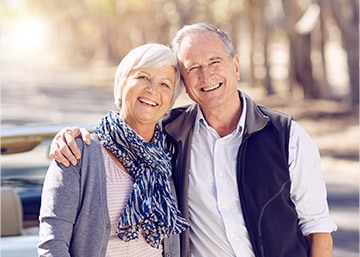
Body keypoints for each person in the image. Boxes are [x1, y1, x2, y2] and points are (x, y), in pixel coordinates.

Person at [49, 23, 337, 257]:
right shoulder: (171, 135)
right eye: (192, 68)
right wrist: (70, 135)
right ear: (185, 84)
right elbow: (129, 125)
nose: (206, 74)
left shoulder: (286, 135)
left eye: (215, 61)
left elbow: (317, 226)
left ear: (235, 66)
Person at [38, 43, 189, 257]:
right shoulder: (78, 153)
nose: (152, 90)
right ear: (122, 83)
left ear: (170, 100)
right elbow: (52, 246)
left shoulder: (171, 156)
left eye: (165, 84)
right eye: (142, 77)